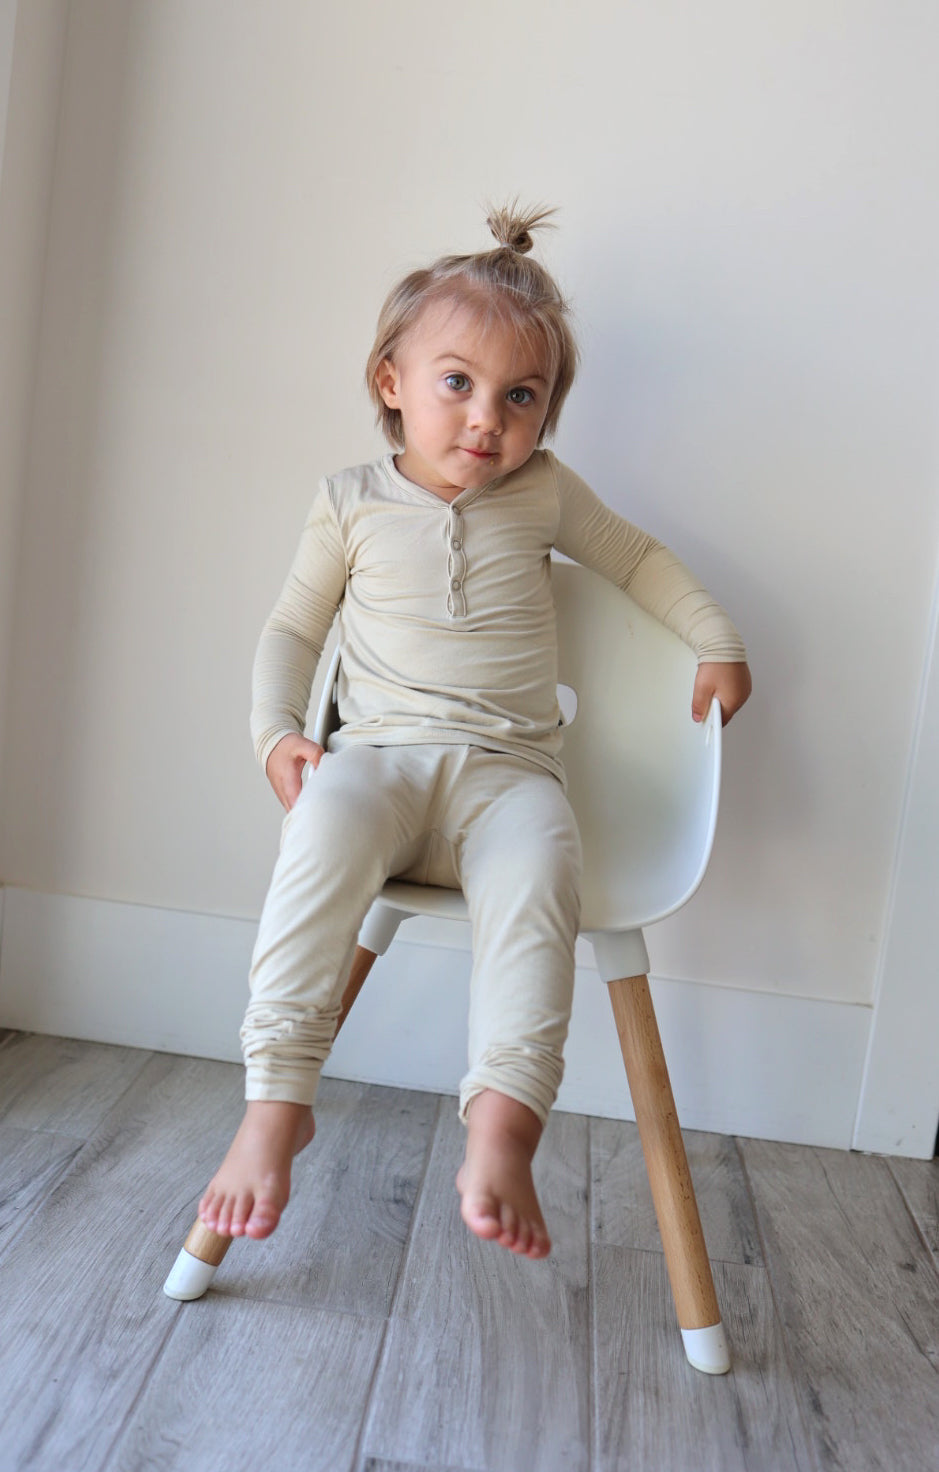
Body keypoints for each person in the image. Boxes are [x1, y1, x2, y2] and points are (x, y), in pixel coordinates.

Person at [198, 205, 751, 1261]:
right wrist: (277, 734)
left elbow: (638, 561)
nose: (485, 417)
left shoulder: (543, 494)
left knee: (548, 867)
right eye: (457, 382)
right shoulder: (350, 502)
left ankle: (502, 1124)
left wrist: (715, 636)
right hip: (380, 765)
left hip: (509, 777)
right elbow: (290, 629)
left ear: (545, 415)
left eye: (520, 395)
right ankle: (276, 1100)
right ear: (391, 381)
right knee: (319, 829)